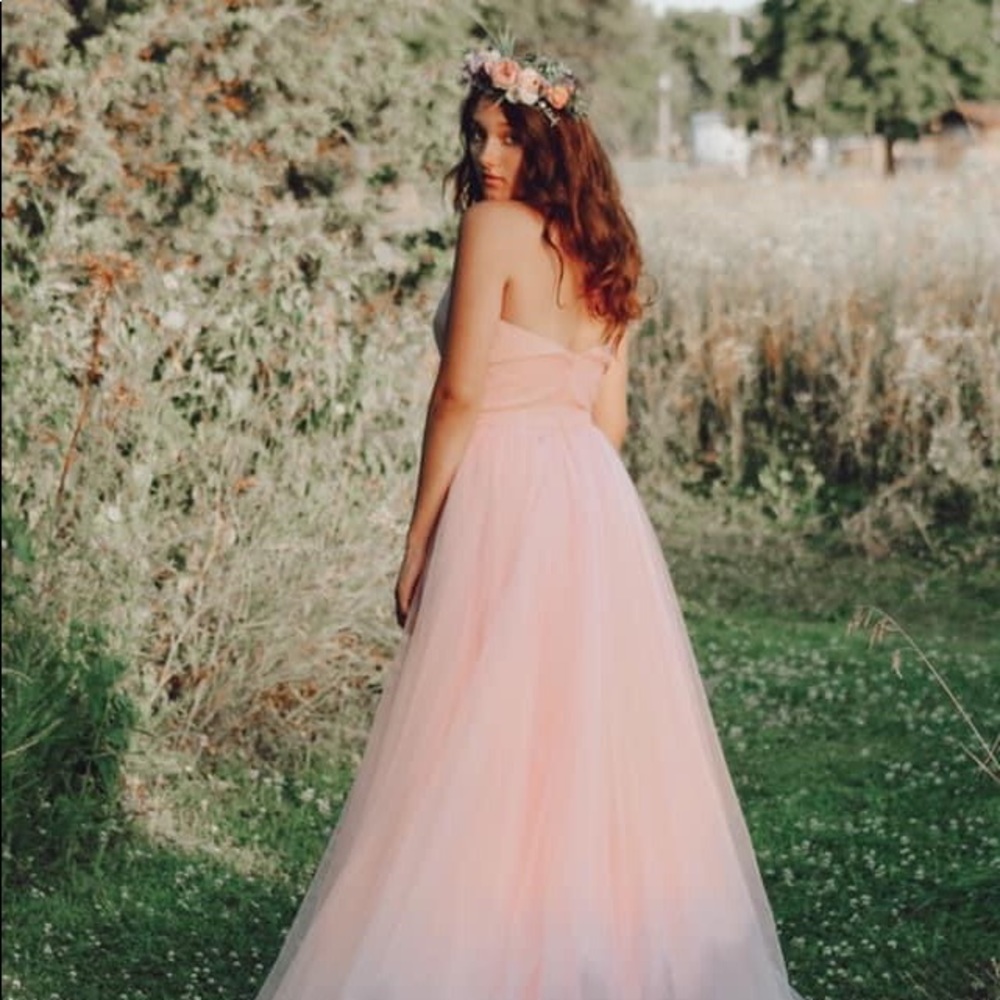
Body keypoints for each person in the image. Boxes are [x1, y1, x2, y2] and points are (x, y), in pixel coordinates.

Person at [254, 42, 805, 1000]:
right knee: (585, 730)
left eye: (509, 134)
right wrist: (583, 504)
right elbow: (613, 418)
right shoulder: (609, 248)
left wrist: (420, 534)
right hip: (591, 495)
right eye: (479, 135)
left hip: (506, 484)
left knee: (481, 720)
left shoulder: (491, 229)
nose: (490, 154)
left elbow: (461, 391)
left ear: (552, 143)